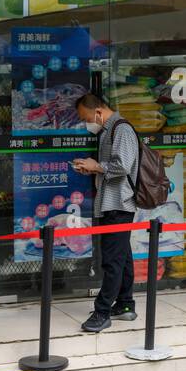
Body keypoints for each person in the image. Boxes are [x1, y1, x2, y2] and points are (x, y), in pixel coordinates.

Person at [71, 93, 139, 333]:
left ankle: (102, 312)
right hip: (112, 203)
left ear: (98, 111)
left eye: (86, 117)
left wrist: (96, 166)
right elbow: (113, 168)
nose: (86, 123)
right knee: (123, 257)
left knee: (112, 261)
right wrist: (92, 170)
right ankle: (125, 304)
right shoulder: (108, 130)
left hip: (119, 204)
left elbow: (123, 165)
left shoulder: (121, 129)